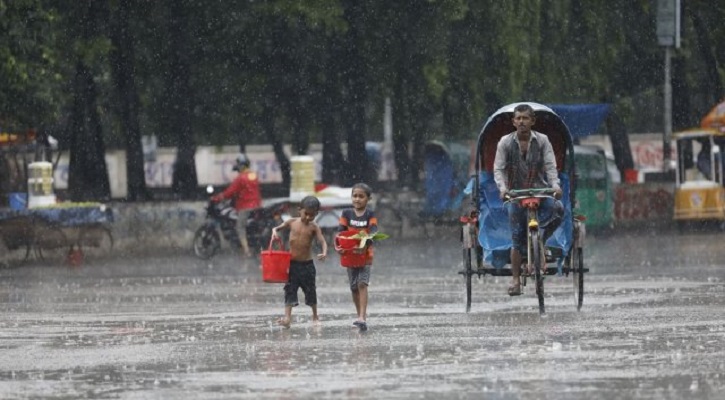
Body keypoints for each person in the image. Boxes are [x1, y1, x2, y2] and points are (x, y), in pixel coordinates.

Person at [493, 103, 564, 297]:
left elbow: (550, 166)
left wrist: (555, 186)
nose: (522, 122)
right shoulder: (505, 142)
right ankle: (515, 281)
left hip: (541, 191)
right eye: (518, 118)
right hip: (515, 195)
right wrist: (503, 189)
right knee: (516, 238)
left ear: (533, 121)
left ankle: (541, 239)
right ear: (513, 121)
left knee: (559, 210)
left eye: (525, 118)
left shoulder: (542, 141)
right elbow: (498, 169)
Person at [271, 195, 328, 328]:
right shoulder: (291, 222)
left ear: (316, 214)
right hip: (292, 264)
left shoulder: (314, 227)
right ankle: (287, 318)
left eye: (312, 215)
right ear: (299, 210)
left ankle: (315, 316)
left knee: (310, 291)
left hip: (307, 265)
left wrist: (324, 252)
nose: (308, 217)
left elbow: (323, 241)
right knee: (290, 289)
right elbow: (276, 228)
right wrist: (274, 232)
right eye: (306, 214)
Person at [337, 183, 377, 331]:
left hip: (365, 255)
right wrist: (339, 247)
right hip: (349, 255)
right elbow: (340, 233)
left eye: (361, 196)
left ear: (368, 199)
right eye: (355, 196)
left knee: (362, 284)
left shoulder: (370, 214)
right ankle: (358, 315)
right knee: (353, 287)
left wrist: (364, 244)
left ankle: (363, 317)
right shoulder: (346, 213)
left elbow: (373, 231)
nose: (357, 199)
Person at [211, 154, 262, 257]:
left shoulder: (241, 178)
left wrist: (217, 198)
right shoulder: (253, 175)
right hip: (257, 206)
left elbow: (229, 192)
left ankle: (246, 251)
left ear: (241, 166)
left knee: (240, 227)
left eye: (238, 165)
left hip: (246, 207)